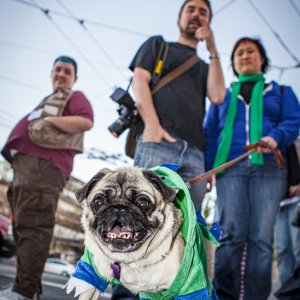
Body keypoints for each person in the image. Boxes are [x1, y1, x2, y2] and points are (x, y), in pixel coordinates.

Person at [112, 1, 225, 299]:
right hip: (158, 141)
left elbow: (217, 95)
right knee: (134, 218)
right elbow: (140, 79)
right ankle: (126, 295)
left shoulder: (204, 65)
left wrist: (212, 47)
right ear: (179, 19)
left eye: (203, 11)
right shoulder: (158, 46)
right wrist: (151, 124)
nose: (197, 14)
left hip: (195, 153)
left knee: (184, 229)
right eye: (191, 9)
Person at [204, 37, 300, 300]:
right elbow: (210, 133)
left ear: (262, 59)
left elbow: (294, 121)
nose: (245, 56)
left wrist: (276, 137)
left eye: (251, 51)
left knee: (260, 237)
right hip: (230, 169)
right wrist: (210, 168)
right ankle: (224, 295)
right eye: (239, 53)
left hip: (269, 168)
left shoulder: (281, 92)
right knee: (230, 233)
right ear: (233, 62)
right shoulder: (222, 96)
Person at [0, 56, 94, 300]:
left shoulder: (75, 97)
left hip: (44, 168)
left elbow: (85, 121)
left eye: (67, 71)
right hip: (28, 168)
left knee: (33, 224)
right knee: (22, 226)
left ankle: (24, 290)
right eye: (57, 69)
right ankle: (24, 288)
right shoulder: (51, 99)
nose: (61, 74)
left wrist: (48, 120)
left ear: (75, 77)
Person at [274, 138, 300, 286]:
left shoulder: (296, 141)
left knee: (298, 248)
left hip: (296, 201)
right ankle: (287, 290)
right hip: (278, 203)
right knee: (283, 249)